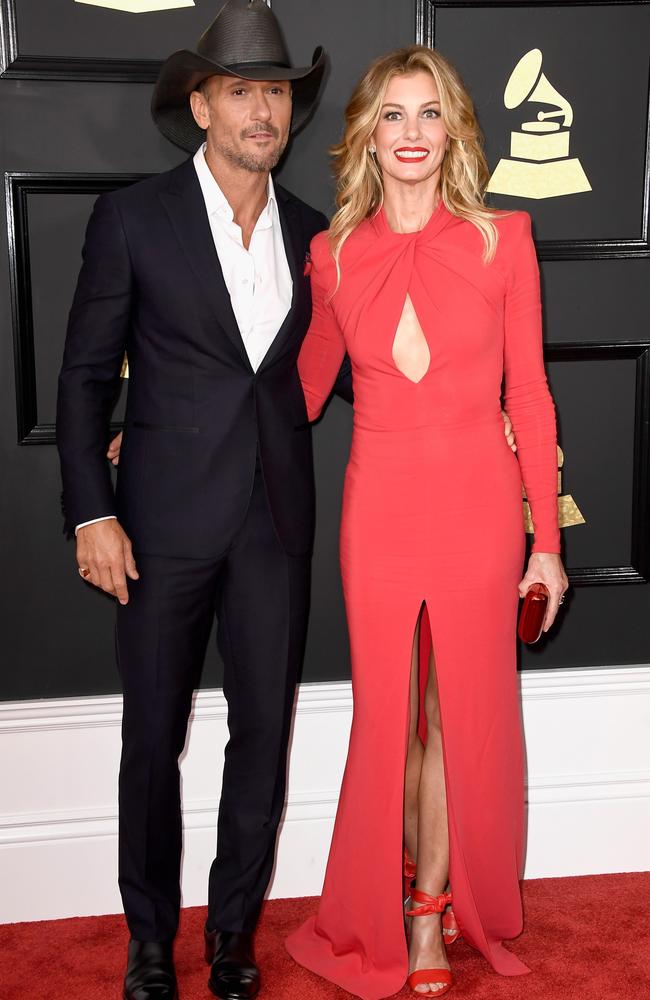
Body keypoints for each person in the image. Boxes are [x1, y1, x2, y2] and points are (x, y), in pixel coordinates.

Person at [56, 3, 336, 999]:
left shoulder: (316, 235)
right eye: (241, 90)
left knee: (263, 735)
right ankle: (145, 942)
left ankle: (229, 937)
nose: (263, 109)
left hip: (275, 525)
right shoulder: (135, 216)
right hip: (160, 527)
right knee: (152, 737)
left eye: (277, 92)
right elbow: (86, 377)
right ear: (199, 102)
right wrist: (93, 512)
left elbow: (354, 367)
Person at [285, 45, 569, 1000]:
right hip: (381, 506)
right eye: (393, 115)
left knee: (453, 715)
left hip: (478, 507)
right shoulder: (330, 257)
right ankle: (396, 882)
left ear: (454, 130)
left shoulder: (503, 242)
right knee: (390, 716)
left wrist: (548, 545)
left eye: (430, 113)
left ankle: (427, 915)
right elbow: (301, 392)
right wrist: (163, 432)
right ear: (367, 132)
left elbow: (529, 396)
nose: (411, 133)